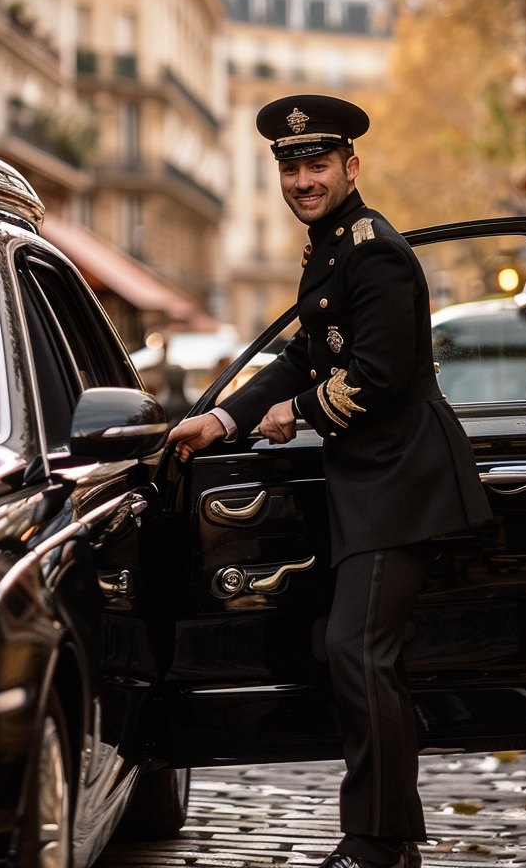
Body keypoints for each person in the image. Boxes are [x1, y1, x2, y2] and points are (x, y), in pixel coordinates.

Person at [167, 94, 492, 868]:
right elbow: (302, 354)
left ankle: (375, 846)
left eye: (318, 165)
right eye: (291, 167)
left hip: (402, 483)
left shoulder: (372, 250)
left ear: (351, 167)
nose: (303, 179)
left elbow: (375, 375)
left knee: (359, 653)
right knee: (359, 655)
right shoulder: (330, 248)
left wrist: (295, 413)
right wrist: (224, 420)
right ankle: (390, 844)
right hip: (372, 486)